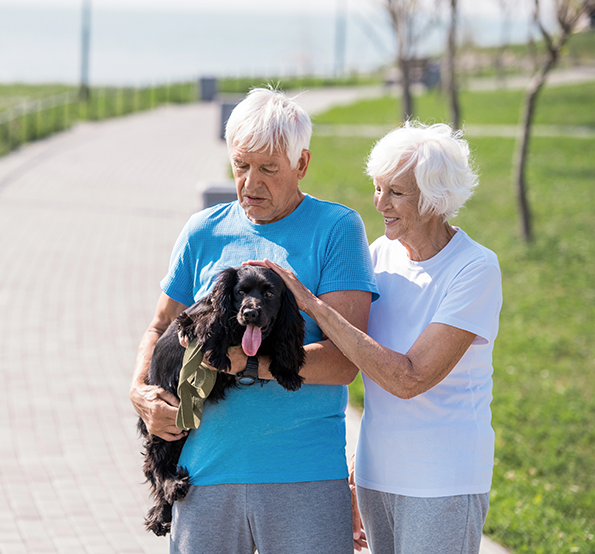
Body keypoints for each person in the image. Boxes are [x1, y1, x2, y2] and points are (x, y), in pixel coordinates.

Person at [130, 87, 378, 554]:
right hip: (202, 474)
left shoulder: (336, 230)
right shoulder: (203, 231)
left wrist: (236, 365)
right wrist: (139, 391)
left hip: (302, 477)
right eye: (241, 166)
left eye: (269, 168)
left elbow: (345, 363)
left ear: (301, 164)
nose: (250, 183)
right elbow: (159, 325)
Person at [255, 121, 503, 554]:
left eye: (397, 193)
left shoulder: (475, 269)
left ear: (434, 197)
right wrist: (356, 473)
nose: (380, 203)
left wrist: (315, 306)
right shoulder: (377, 256)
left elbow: (408, 379)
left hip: (443, 482)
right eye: (378, 188)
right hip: (377, 476)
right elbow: (364, 367)